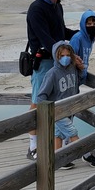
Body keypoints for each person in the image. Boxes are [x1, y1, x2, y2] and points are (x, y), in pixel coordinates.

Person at [25, 0, 81, 160]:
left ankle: (57, 149)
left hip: (58, 64)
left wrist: (82, 34)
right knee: (38, 101)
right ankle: (33, 146)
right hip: (44, 63)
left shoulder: (57, 6)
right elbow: (46, 39)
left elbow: (61, 31)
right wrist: (70, 56)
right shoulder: (37, 8)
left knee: (59, 101)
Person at [36, 41, 81, 170]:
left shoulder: (73, 69)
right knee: (72, 132)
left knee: (58, 134)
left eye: (68, 55)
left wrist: (81, 69)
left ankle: (57, 159)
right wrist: (47, 110)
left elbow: (77, 84)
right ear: (56, 56)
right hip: (57, 110)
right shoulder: (52, 73)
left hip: (70, 107)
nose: (65, 58)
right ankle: (87, 154)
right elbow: (41, 95)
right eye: (61, 56)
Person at [69, 9, 95, 167]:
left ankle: (64, 153)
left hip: (78, 81)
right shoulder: (77, 39)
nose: (91, 26)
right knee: (65, 118)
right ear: (83, 24)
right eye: (88, 24)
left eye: (94, 24)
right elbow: (69, 59)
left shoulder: (89, 38)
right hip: (70, 82)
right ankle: (79, 154)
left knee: (68, 117)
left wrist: (92, 34)